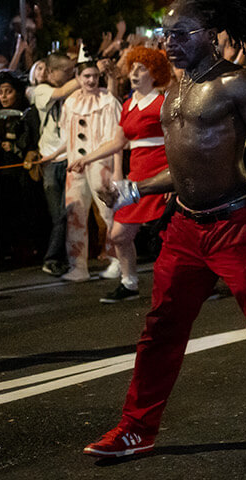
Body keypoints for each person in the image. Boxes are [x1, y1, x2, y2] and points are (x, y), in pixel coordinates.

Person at [84, 0, 246, 473]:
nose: (168, 44)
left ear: (210, 35)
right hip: (185, 227)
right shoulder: (174, 89)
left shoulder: (238, 85)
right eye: (164, 35)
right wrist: (135, 189)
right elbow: (187, 167)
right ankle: (137, 428)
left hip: (237, 224)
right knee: (160, 331)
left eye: (180, 34)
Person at [66, 46, 174, 303]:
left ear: (154, 74)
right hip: (137, 178)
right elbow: (117, 142)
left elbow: (176, 142)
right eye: (133, 68)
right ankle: (129, 283)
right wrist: (86, 158)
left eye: (142, 69)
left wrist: (174, 179)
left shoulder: (164, 102)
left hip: (161, 175)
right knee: (118, 235)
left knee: (175, 237)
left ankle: (199, 283)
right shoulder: (128, 104)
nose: (135, 74)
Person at [35, 61, 123, 282]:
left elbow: (116, 138)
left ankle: (118, 260)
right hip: (76, 166)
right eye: (86, 76)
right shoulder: (71, 102)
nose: (91, 80)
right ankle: (78, 266)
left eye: (94, 76)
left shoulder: (107, 101)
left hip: (100, 163)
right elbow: (70, 139)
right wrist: (54, 155)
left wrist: (116, 170)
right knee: (76, 214)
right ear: (78, 76)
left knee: (108, 212)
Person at [28, 53, 81, 275]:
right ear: (50, 72)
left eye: (73, 72)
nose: (71, 77)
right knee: (59, 214)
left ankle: (59, 257)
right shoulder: (41, 90)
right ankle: (51, 258)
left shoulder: (74, 92)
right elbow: (59, 92)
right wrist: (83, 75)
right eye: (67, 72)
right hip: (50, 161)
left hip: (69, 158)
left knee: (68, 212)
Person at [0, 72, 45, 267]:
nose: (4, 97)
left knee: (22, 215)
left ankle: (24, 251)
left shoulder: (26, 114)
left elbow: (31, 143)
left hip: (21, 174)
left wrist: (15, 147)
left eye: (9, 92)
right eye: (1, 92)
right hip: (2, 175)